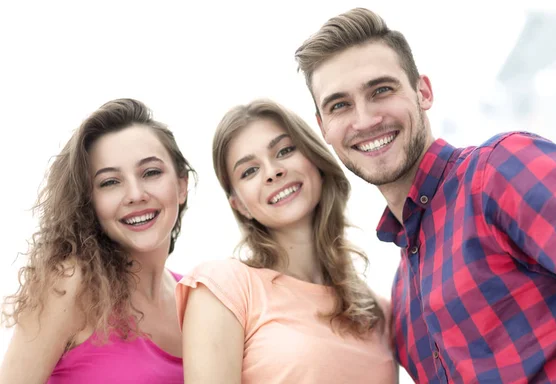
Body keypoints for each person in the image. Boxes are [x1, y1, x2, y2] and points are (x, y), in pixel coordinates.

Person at [294, 7, 556, 383]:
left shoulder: (501, 170)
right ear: (324, 127)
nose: (365, 119)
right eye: (340, 105)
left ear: (423, 92)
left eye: (381, 90)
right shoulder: (403, 298)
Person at [175, 99, 397, 383]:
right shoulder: (222, 288)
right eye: (249, 171)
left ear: (315, 160)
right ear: (239, 204)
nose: (272, 171)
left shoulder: (378, 311)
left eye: (285, 150)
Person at [0, 98, 194, 383]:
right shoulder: (70, 285)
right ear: (89, 202)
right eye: (110, 182)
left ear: (181, 185)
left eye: (151, 173)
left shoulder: (197, 300)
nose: (135, 194)